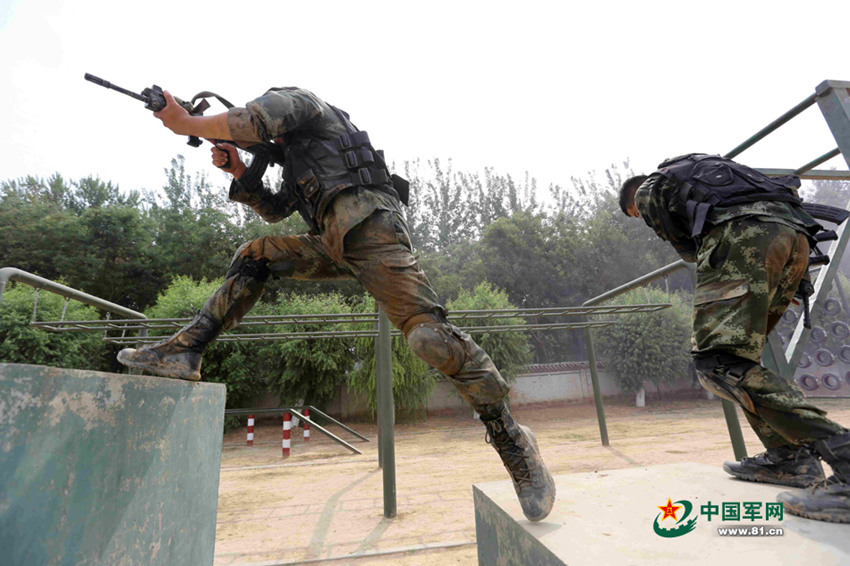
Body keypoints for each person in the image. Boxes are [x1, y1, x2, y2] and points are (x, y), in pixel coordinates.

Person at [116, 86, 555, 522]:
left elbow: (252, 119)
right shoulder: (294, 162)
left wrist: (184, 124)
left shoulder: (301, 103)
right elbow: (273, 210)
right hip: (331, 243)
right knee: (255, 255)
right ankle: (186, 351)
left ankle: (511, 438)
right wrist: (237, 171)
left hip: (372, 230)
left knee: (429, 340)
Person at [619, 153, 850, 523]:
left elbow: (689, 250)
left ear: (633, 201)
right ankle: (790, 457)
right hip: (796, 240)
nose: (642, 220)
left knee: (718, 364)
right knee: (740, 364)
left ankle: (844, 456)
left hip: (744, 238)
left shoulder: (649, 189)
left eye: (636, 216)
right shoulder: (708, 177)